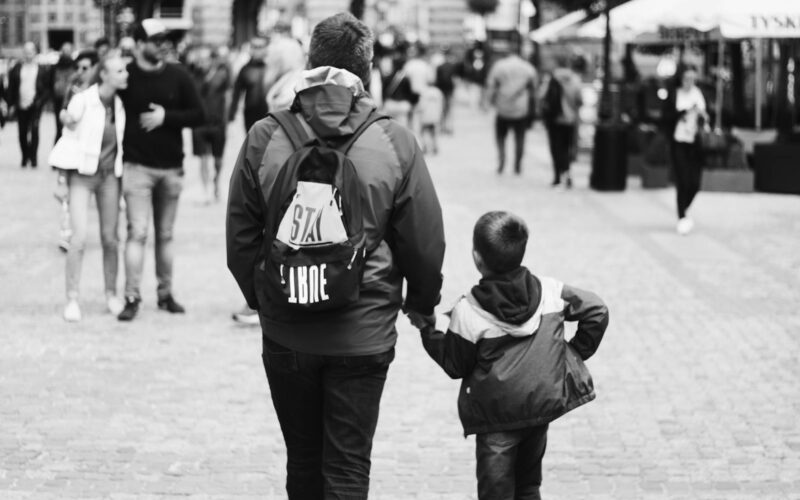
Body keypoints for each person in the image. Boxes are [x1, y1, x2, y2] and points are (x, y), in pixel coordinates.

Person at [226, 13, 445, 498]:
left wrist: (266, 297)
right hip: (362, 332)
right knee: (347, 468)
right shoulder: (393, 140)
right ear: (366, 71)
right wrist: (421, 304)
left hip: (286, 329)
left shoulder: (265, 136)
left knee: (303, 461)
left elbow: (240, 237)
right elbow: (424, 243)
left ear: (309, 62)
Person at [413, 211, 609, 500]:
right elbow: (597, 310)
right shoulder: (550, 291)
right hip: (537, 412)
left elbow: (455, 365)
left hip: (496, 421)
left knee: (496, 493)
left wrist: (428, 330)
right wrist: (570, 354)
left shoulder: (469, 311)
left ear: (477, 257)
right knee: (528, 486)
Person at [116, 19, 205, 321]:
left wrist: (167, 117)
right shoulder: (125, 75)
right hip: (136, 167)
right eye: (156, 40)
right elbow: (101, 97)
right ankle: (131, 296)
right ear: (139, 45)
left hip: (171, 169)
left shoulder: (178, 75)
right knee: (137, 232)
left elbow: (199, 114)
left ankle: (165, 294)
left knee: (165, 234)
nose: (163, 45)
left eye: (164, 39)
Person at [54, 55, 129, 322]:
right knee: (79, 238)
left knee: (111, 238)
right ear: (104, 75)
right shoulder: (83, 100)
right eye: (120, 70)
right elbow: (67, 140)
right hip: (81, 176)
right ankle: (72, 298)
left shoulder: (121, 102)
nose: (125, 74)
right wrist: (61, 180)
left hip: (110, 177)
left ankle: (111, 294)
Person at [54, 49, 100, 253]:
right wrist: (65, 116)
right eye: (78, 67)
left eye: (85, 68)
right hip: (70, 147)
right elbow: (63, 109)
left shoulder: (100, 91)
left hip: (90, 150)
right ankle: (66, 232)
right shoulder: (73, 88)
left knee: (82, 196)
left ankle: (78, 231)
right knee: (66, 194)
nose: (80, 71)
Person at [663, 65, 708, 235]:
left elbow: (706, 116)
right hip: (678, 141)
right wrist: (682, 112)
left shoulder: (698, 94)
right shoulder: (674, 94)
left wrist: (702, 115)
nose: (690, 82)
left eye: (693, 78)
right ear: (681, 79)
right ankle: (681, 216)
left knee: (694, 183)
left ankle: (684, 207)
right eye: (687, 78)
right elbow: (666, 116)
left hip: (694, 142)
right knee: (682, 180)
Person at [485, 50, 537, 175]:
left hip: (502, 108)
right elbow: (534, 89)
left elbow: (491, 85)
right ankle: (517, 165)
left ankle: (502, 162)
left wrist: (489, 102)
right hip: (521, 109)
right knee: (520, 138)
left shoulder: (499, 66)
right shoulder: (528, 67)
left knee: (501, 137)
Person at [191, 46, 231, 203]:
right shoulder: (195, 76)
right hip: (200, 123)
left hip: (217, 122)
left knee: (218, 160)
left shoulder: (222, 75)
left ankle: (216, 180)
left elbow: (228, 96)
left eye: (206, 59)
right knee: (202, 158)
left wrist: (226, 120)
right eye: (200, 59)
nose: (203, 62)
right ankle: (205, 189)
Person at [6, 42, 50, 168]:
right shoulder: (17, 68)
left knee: (35, 131)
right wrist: (11, 104)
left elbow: (46, 89)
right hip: (21, 105)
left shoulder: (41, 69)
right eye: (26, 51)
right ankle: (25, 157)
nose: (28, 54)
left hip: (35, 105)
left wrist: (40, 101)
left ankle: (34, 158)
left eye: (31, 51)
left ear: (35, 52)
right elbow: (11, 88)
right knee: (22, 132)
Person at [541, 58, 582, 187]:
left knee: (555, 148)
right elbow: (579, 100)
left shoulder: (550, 79)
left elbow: (541, 96)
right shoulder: (575, 80)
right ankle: (567, 173)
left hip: (554, 119)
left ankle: (557, 176)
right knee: (566, 147)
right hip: (569, 120)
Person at [228, 36, 269, 132]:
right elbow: (236, 93)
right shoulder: (245, 69)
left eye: (260, 47)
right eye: (254, 47)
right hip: (250, 115)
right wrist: (232, 113)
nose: (257, 50)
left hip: (268, 114)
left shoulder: (271, 68)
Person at [50, 42, 76, 141]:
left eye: (68, 51)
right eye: (64, 50)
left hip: (72, 100)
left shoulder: (76, 66)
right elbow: (50, 83)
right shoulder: (55, 67)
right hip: (59, 100)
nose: (66, 53)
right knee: (59, 126)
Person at [434, 46, 458, 134]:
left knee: (442, 109)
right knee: (449, 109)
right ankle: (449, 127)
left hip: (441, 90)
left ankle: (442, 126)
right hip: (449, 90)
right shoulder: (453, 66)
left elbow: (436, 80)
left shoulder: (439, 67)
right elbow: (455, 79)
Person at [415, 83, 444, 155]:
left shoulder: (424, 92)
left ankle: (425, 147)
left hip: (425, 116)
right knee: (434, 133)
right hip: (435, 116)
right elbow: (442, 104)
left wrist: (417, 111)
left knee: (423, 132)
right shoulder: (438, 92)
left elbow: (421, 105)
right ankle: (435, 147)